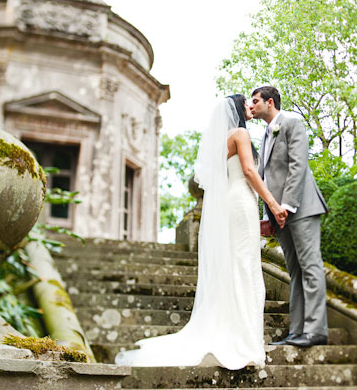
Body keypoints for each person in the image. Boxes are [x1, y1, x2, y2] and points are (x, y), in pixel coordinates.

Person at [114, 95, 286, 368]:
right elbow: (250, 173)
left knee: (239, 266)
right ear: (238, 110)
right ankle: (246, 344)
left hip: (234, 201)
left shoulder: (223, 140)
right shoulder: (240, 133)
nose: (251, 107)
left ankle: (243, 338)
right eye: (247, 104)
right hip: (241, 201)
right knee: (245, 267)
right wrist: (274, 205)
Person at [252, 86, 329, 347]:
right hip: (279, 215)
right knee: (295, 271)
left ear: (270, 102)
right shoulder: (264, 134)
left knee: (311, 267)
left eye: (255, 101)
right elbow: (265, 178)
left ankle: (316, 330)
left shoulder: (292, 122)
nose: (252, 106)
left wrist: (286, 206)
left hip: (302, 208)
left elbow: (298, 165)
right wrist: (268, 215)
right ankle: (297, 331)